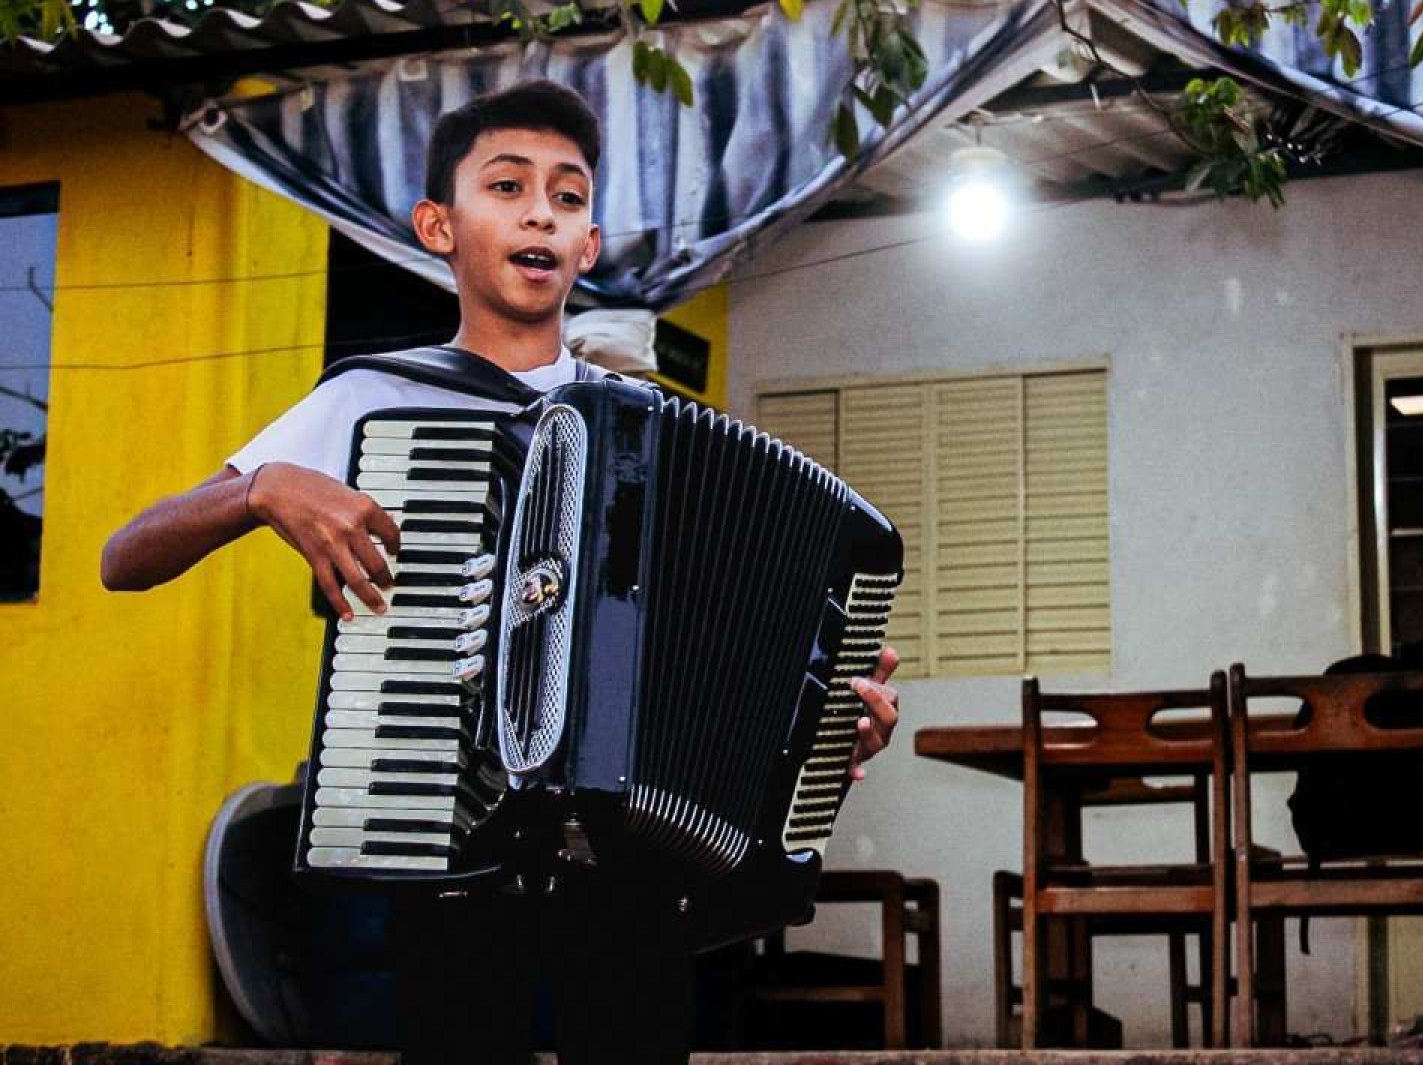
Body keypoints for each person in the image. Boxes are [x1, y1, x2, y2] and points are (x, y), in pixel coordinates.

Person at [101, 79, 902, 1063]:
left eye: (567, 197)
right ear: (437, 225)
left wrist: (824, 726)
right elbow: (124, 558)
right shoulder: (373, 400)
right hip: (447, 861)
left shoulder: (640, 425)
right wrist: (261, 484)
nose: (539, 213)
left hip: (631, 884)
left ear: (589, 245)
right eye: (507, 186)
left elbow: (728, 649)